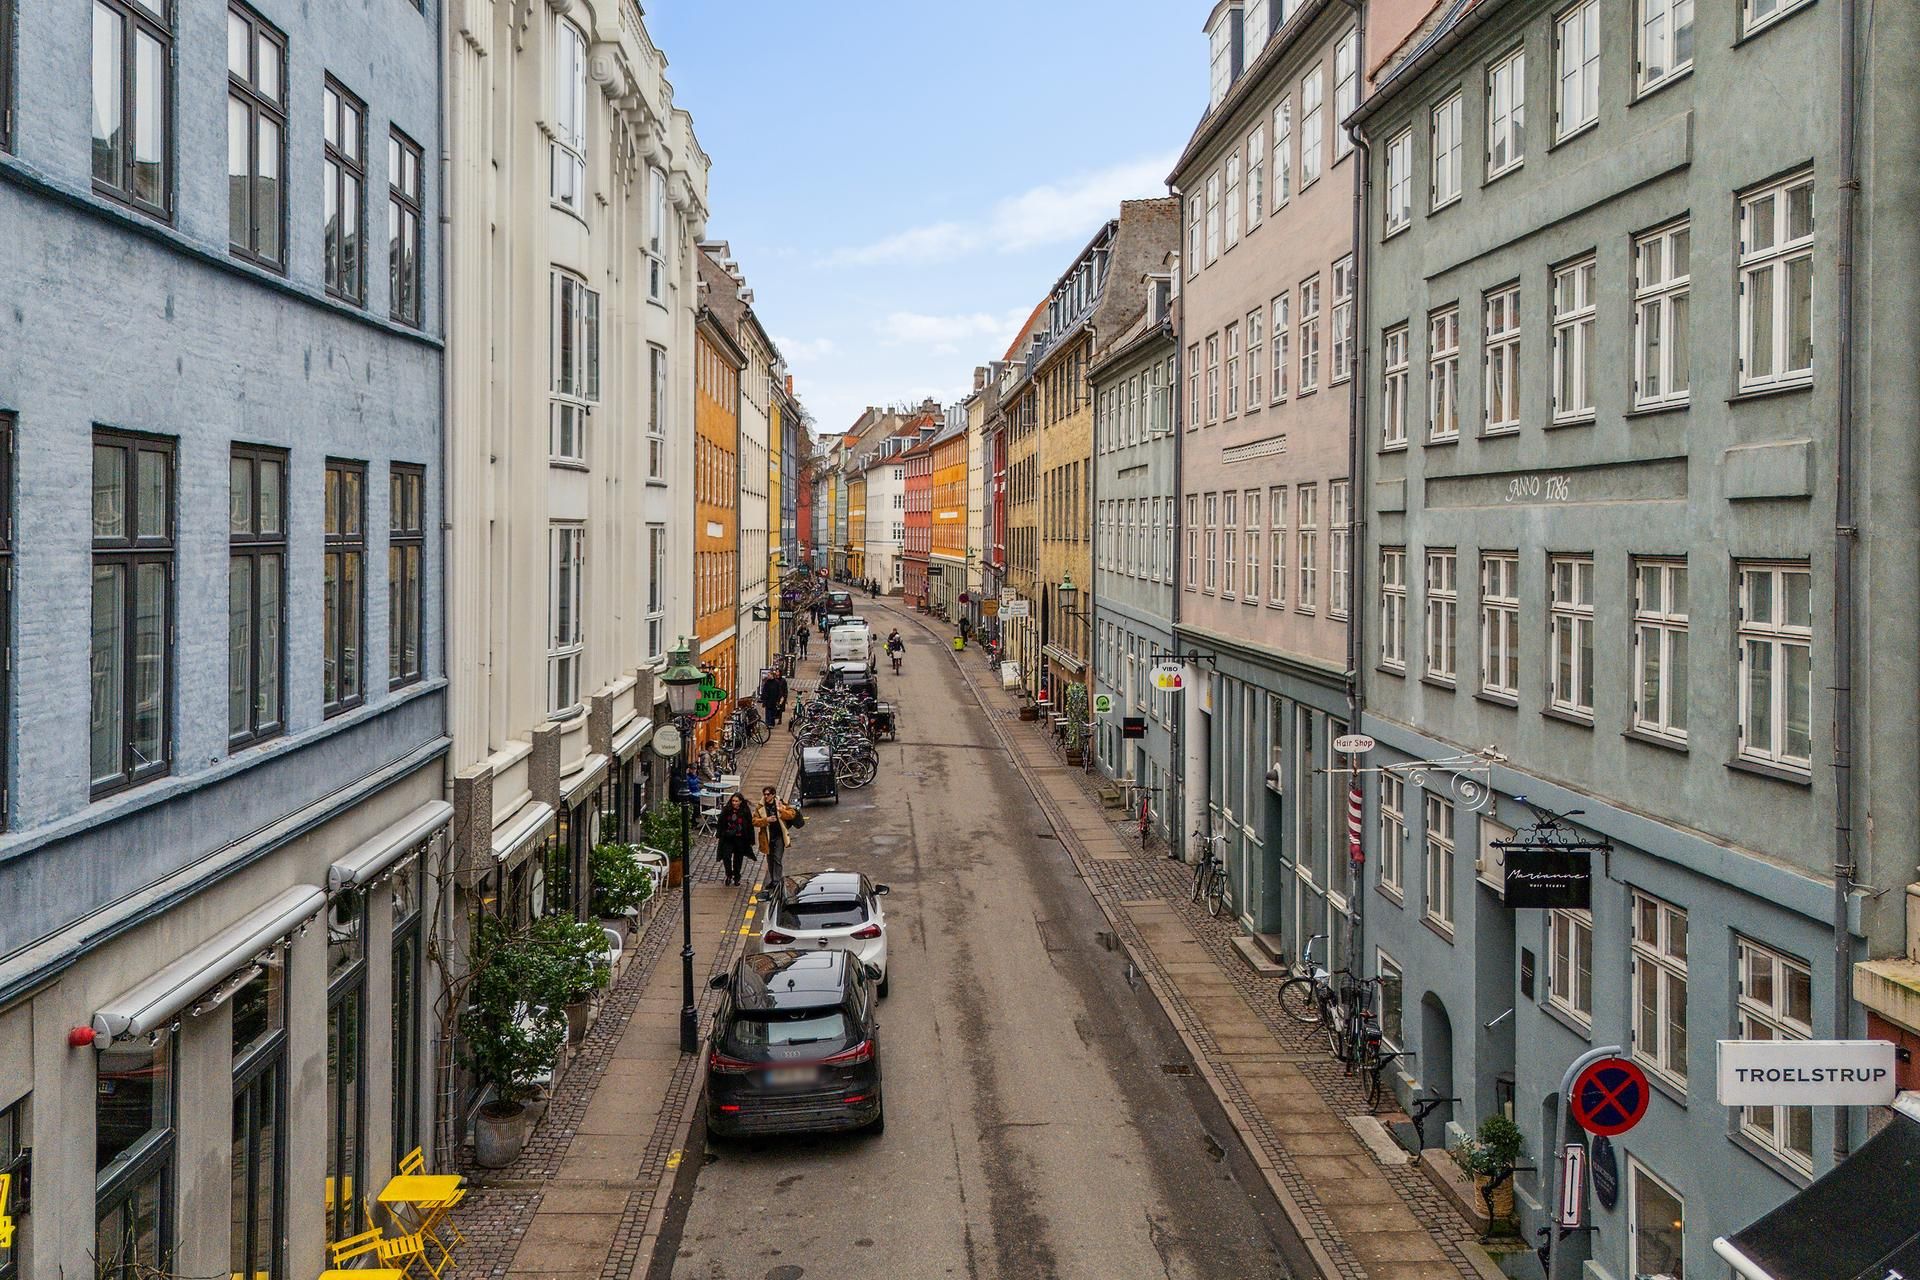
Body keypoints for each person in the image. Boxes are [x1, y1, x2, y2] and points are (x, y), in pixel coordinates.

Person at [753, 786, 800, 886]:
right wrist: (766, 820)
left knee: (777, 858)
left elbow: (792, 814)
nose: (766, 796)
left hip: (779, 836)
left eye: (768, 794)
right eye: (764, 794)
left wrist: (781, 810)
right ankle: (773, 879)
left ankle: (777, 881)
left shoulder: (780, 803)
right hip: (768, 837)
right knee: (770, 860)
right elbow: (754, 821)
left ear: (773, 795)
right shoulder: (760, 807)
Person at [715, 792, 756, 886]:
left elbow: (749, 825)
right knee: (726, 856)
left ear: (740, 802)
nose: (734, 803)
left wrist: (751, 839)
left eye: (736, 801)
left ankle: (737, 876)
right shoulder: (727, 810)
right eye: (733, 801)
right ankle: (728, 874)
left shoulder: (745, 811)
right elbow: (721, 823)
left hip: (740, 838)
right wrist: (720, 834)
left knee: (738, 859)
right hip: (728, 838)